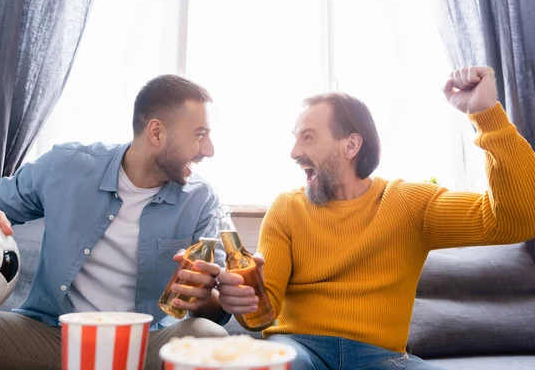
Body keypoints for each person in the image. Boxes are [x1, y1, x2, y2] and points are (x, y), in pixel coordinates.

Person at [217, 65, 535, 369]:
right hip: (299, 349)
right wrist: (244, 300)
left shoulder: (409, 204)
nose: (294, 152)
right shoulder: (286, 208)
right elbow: (264, 310)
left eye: (308, 137)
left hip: (382, 358)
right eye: (296, 137)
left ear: (351, 145)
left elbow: (518, 219)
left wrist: (487, 114)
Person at [0, 74, 229, 369]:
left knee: (210, 336)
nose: (209, 150)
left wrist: (204, 297)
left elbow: (214, 308)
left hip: (146, 343)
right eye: (200, 135)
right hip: (52, 335)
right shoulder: (66, 165)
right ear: (156, 132)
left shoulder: (202, 200)